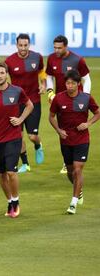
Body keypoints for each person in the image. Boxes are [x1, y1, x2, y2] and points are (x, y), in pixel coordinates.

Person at [0, 63, 33, 218]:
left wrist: (20, 119)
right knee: (1, 174)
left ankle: (16, 201)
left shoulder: (17, 91)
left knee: (11, 172)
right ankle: (9, 200)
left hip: (13, 137)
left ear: (6, 74)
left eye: (2, 72)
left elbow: (29, 105)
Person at [49, 70, 99, 214]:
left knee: (78, 170)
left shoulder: (86, 98)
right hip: (65, 140)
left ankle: (73, 202)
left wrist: (88, 124)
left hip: (82, 139)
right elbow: (51, 117)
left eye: (72, 83)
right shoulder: (58, 99)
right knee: (70, 172)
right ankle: (79, 190)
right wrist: (58, 130)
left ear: (78, 84)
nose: (69, 86)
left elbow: (97, 112)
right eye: (67, 83)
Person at [45, 35, 91, 174]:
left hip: (78, 102)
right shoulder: (51, 58)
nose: (56, 50)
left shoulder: (78, 60)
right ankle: (67, 161)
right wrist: (50, 91)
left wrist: (86, 97)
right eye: (55, 47)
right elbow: (48, 76)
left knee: (78, 129)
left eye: (59, 48)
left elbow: (86, 79)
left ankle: (77, 160)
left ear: (66, 46)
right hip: (61, 101)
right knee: (63, 130)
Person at [5, 33, 46, 173]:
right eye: (20, 45)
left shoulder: (37, 57)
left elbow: (41, 71)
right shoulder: (9, 61)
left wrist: (43, 84)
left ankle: (38, 145)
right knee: (18, 135)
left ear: (29, 44)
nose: (23, 48)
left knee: (32, 136)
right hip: (16, 103)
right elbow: (0, 77)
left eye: (25, 45)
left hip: (34, 101)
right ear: (16, 45)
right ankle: (25, 163)